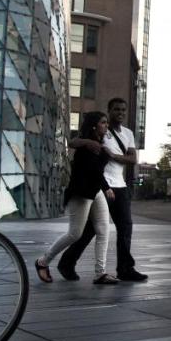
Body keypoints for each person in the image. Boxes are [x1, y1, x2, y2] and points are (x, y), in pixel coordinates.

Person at [57, 97, 146, 282]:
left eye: (123, 110)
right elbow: (73, 142)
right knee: (89, 230)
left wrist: (112, 155)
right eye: (116, 109)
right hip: (101, 185)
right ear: (109, 110)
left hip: (120, 186)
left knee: (125, 227)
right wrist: (87, 143)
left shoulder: (128, 133)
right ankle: (67, 263)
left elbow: (133, 159)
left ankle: (126, 269)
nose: (120, 113)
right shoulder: (102, 129)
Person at [35, 111, 117, 285]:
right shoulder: (86, 146)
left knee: (104, 230)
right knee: (75, 234)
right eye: (103, 122)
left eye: (107, 123)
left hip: (94, 191)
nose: (106, 126)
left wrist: (106, 153)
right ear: (93, 125)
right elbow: (92, 170)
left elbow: (98, 170)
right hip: (81, 193)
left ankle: (100, 273)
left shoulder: (98, 144)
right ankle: (42, 262)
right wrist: (107, 187)